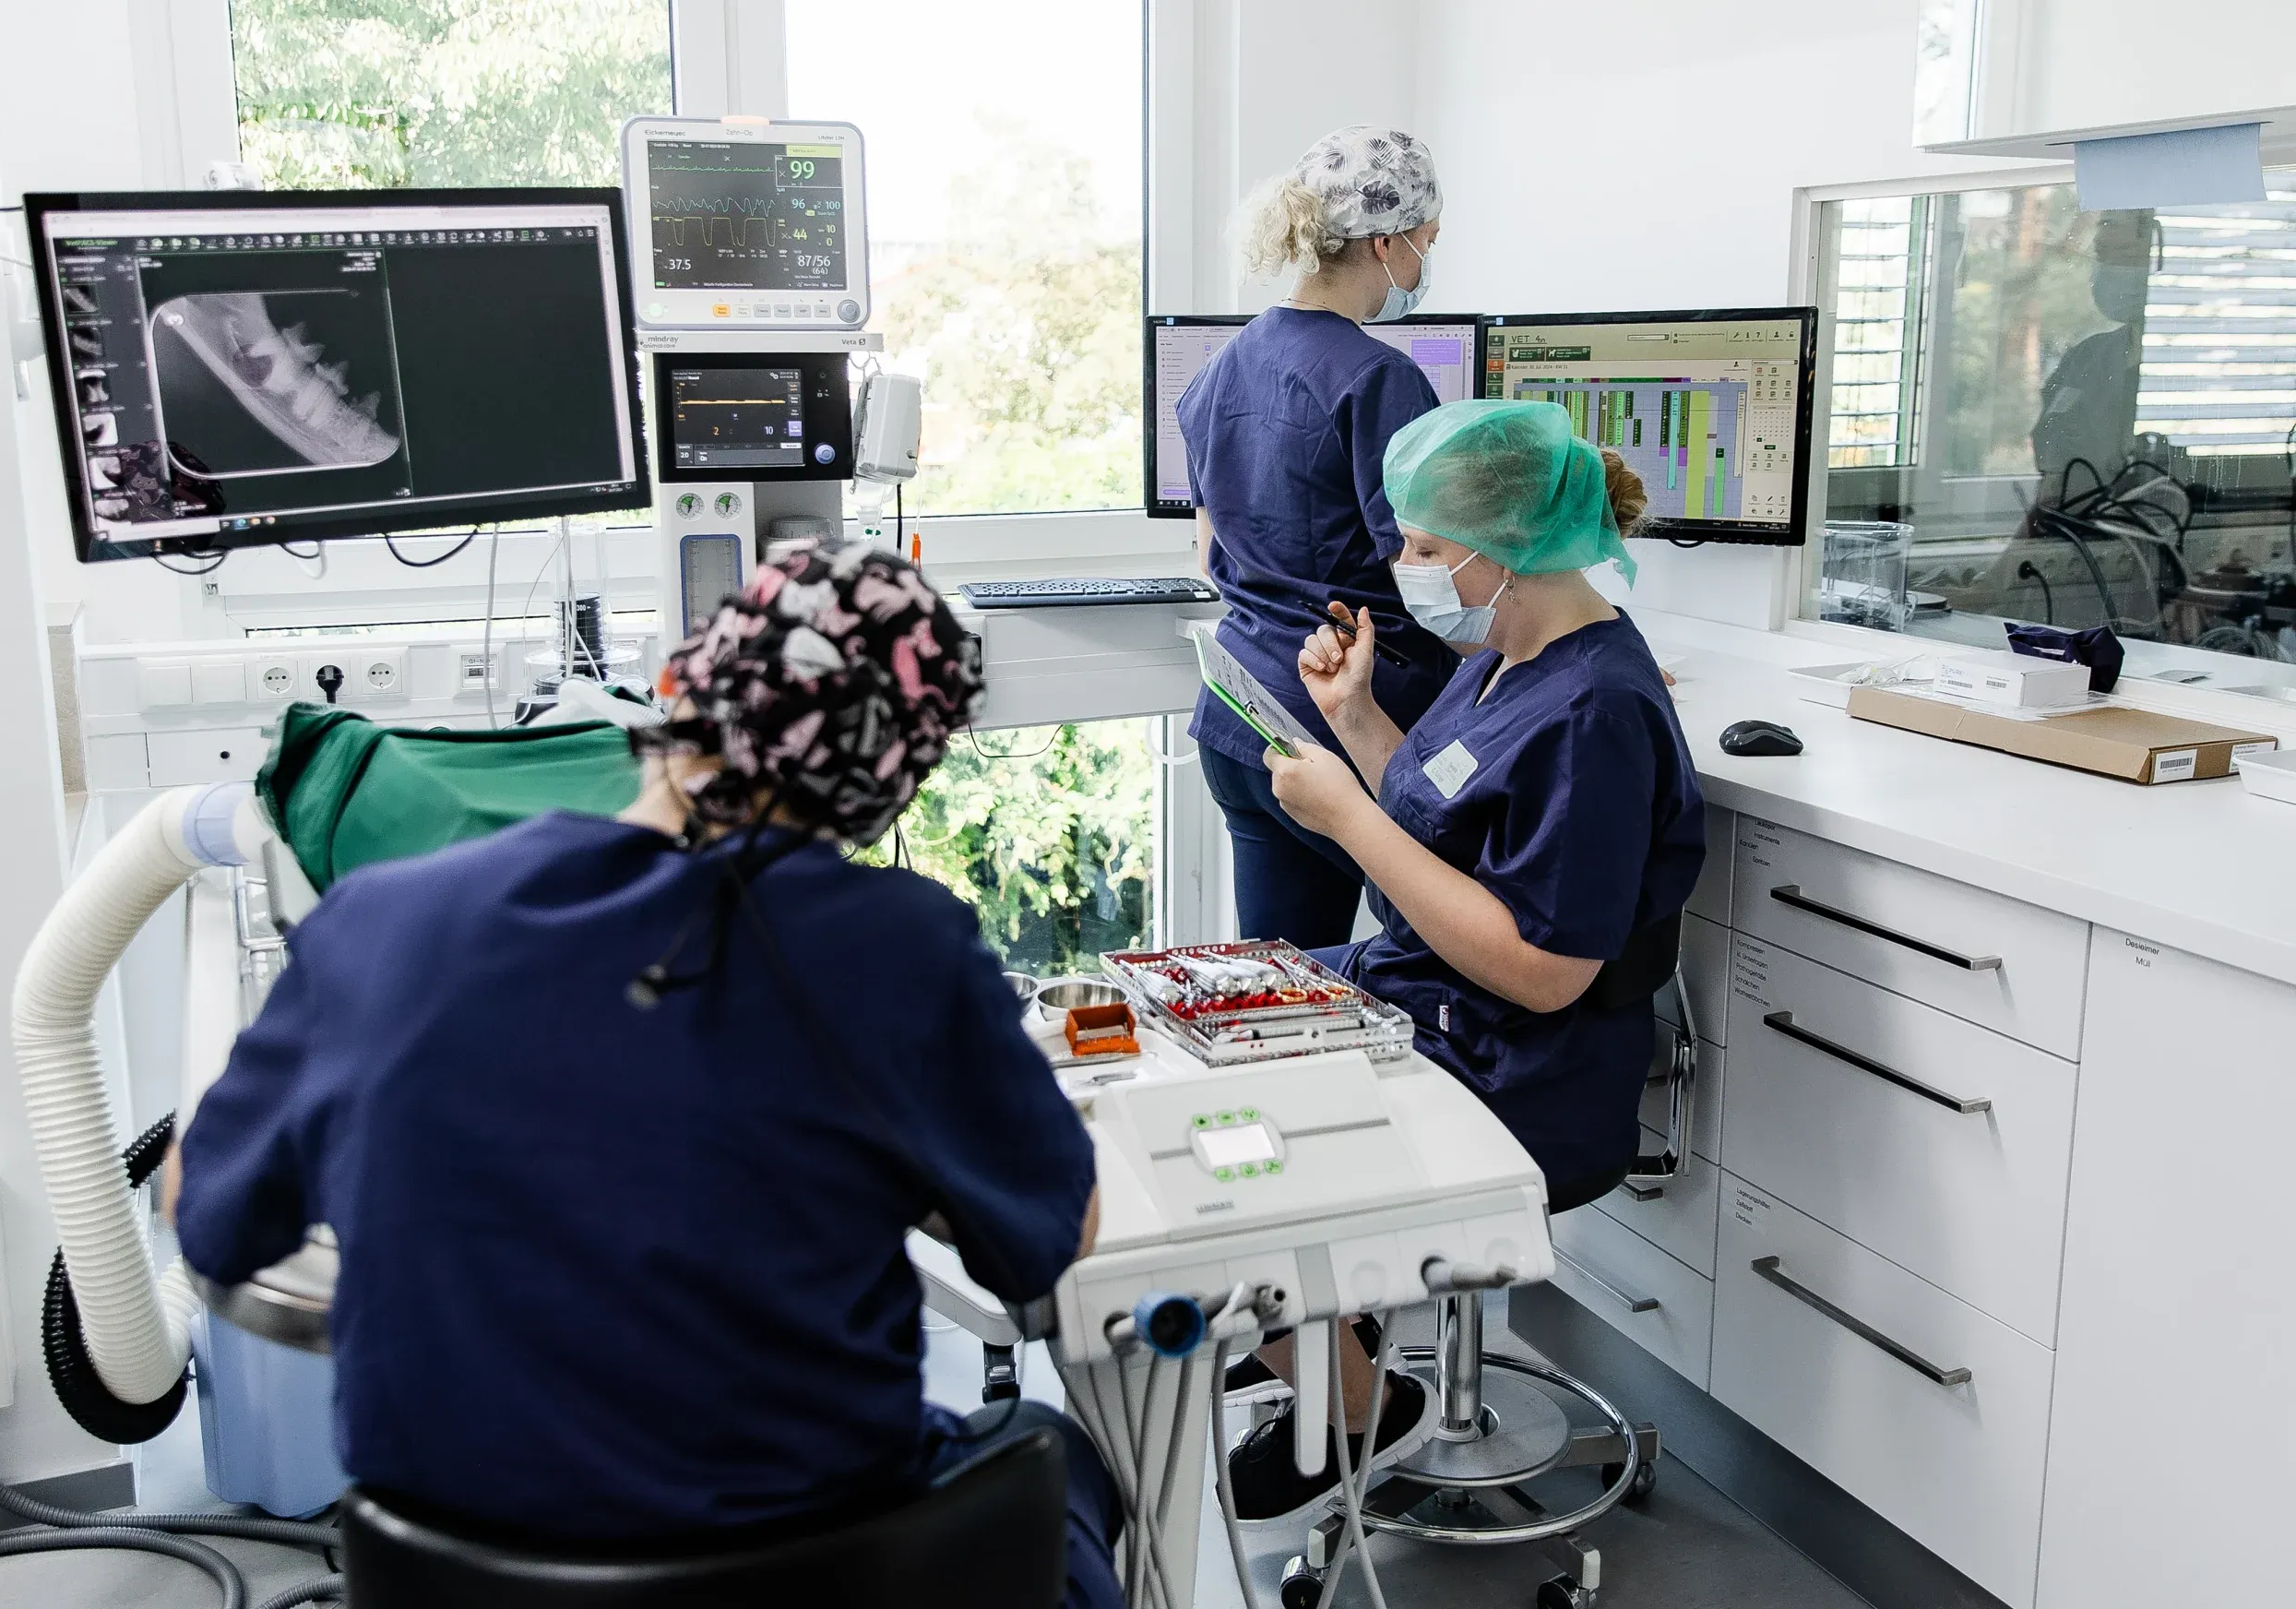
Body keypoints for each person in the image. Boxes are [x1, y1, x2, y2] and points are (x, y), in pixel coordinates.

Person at [172, 543, 1123, 1609]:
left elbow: (207, 1218)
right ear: (896, 776)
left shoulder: (385, 920)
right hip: (816, 1562)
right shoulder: (898, 951)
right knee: (1060, 1453)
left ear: (682, 689)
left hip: (453, 1571)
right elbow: (1050, 1239)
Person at [1220, 400, 1707, 1521]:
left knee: (1233, 1150)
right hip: (1431, 1006)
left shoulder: (1594, 710)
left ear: (1506, 550)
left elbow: (1545, 969)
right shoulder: (1501, 655)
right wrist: (1352, 722)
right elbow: (1442, 816)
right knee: (1193, 1048)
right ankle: (1319, 1335)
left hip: (1516, 1065)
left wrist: (1345, 820)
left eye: (1426, 549)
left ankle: (1356, 1404)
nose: (1404, 567)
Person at [1178, 125, 1461, 949]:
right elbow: (1438, 576)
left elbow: (1210, 555)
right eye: (1427, 243)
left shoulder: (1220, 367)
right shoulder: (1381, 378)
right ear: (1388, 242)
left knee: (1287, 986)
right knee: (1440, 961)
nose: (1423, 265)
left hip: (1240, 712)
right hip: (1347, 719)